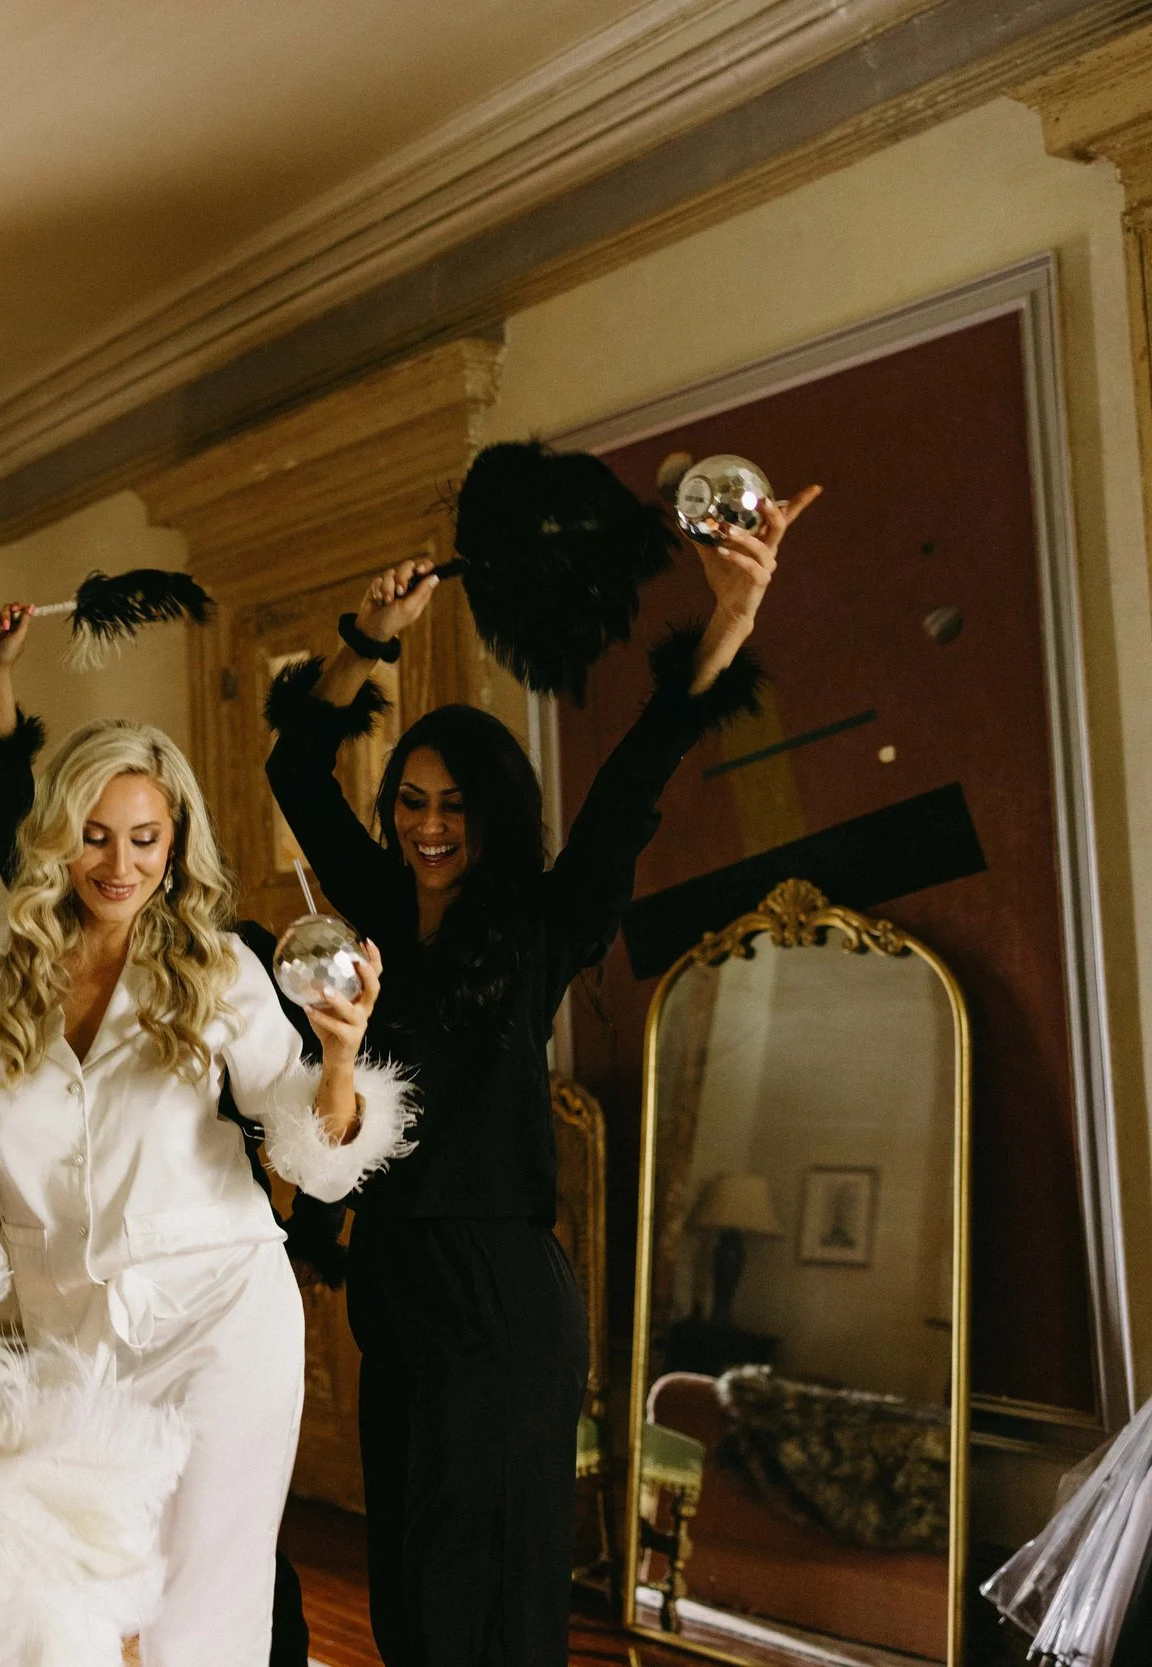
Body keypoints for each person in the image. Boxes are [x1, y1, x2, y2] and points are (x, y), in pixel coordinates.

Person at [261, 484, 816, 1666]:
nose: (426, 826)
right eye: (409, 802)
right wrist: (367, 641)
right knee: (409, 1574)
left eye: (452, 805)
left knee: (492, 1585)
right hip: (396, 1285)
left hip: (504, 1294)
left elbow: (633, 777)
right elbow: (296, 770)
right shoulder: (375, 917)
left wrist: (729, 615)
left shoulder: (540, 924)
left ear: (492, 813)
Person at [0, 717, 416, 1666]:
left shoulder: (220, 967)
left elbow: (306, 1151)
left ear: (175, 843)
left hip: (223, 1320)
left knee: (201, 1622)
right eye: (95, 835)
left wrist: (343, 1055)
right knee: (65, 1614)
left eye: (145, 839)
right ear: (55, 836)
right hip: (67, 1335)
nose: (120, 864)